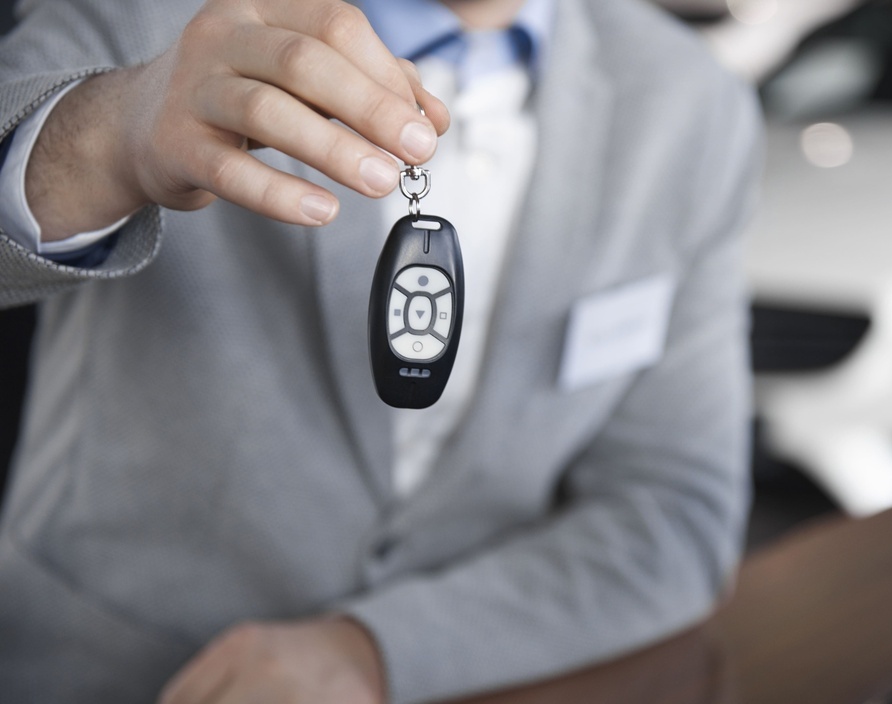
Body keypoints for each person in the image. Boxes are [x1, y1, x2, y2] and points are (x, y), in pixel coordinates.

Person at [0, 0, 762, 702]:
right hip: (101, 673)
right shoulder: (158, 12)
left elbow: (674, 512)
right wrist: (102, 140)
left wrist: (380, 649)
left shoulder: (695, 106)